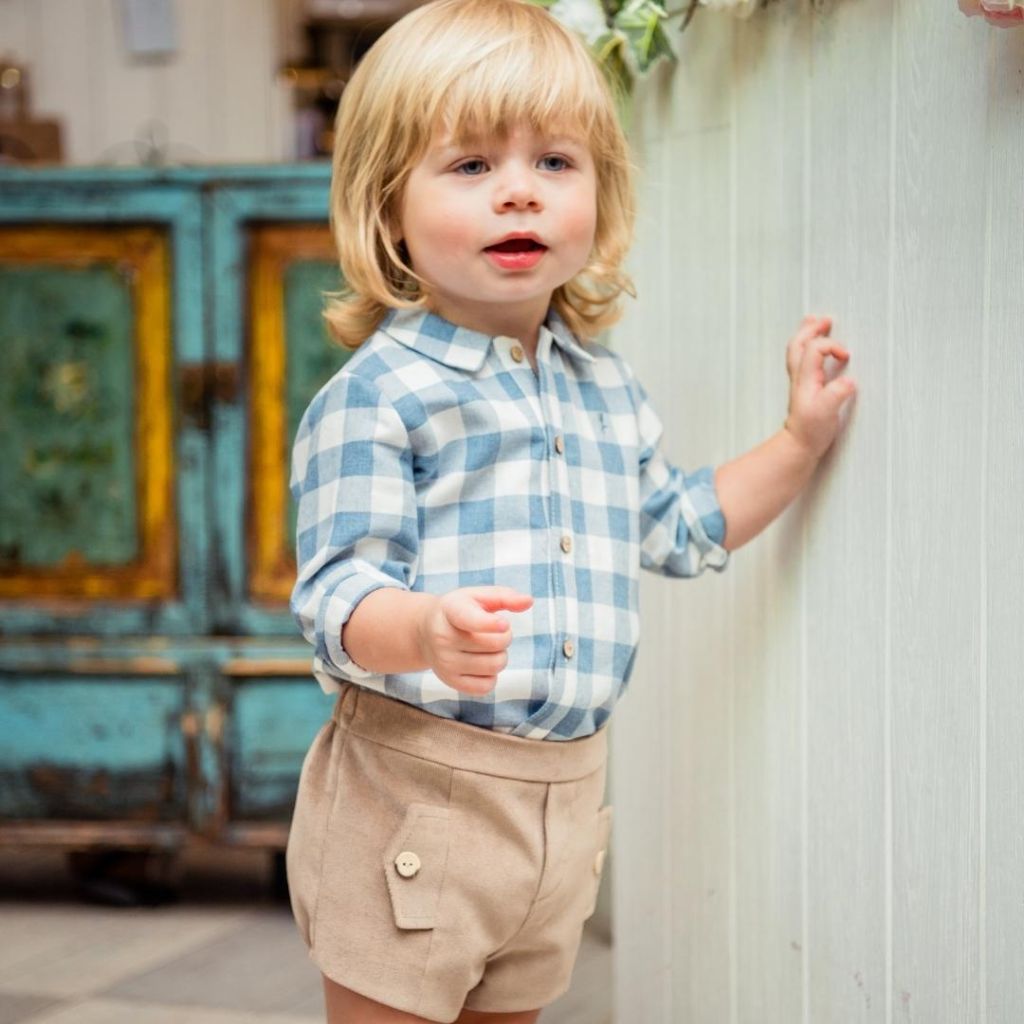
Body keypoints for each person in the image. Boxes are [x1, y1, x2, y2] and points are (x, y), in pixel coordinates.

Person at [284, 1, 857, 1021]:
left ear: (600, 191)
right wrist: (421, 626)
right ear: (388, 208)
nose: (518, 192)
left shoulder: (602, 388)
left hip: (562, 802)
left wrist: (796, 442)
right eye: (469, 166)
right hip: (414, 795)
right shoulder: (381, 395)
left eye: (554, 162)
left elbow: (678, 525)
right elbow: (334, 593)